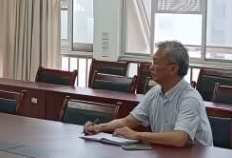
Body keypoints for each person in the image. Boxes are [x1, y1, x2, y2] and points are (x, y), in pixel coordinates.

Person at [84, 40, 212, 147]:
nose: (150, 67)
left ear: (173, 69)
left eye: (156, 62)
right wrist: (99, 127)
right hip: (168, 156)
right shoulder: (155, 92)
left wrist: (137, 135)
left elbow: (179, 138)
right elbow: (128, 121)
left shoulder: (190, 98)